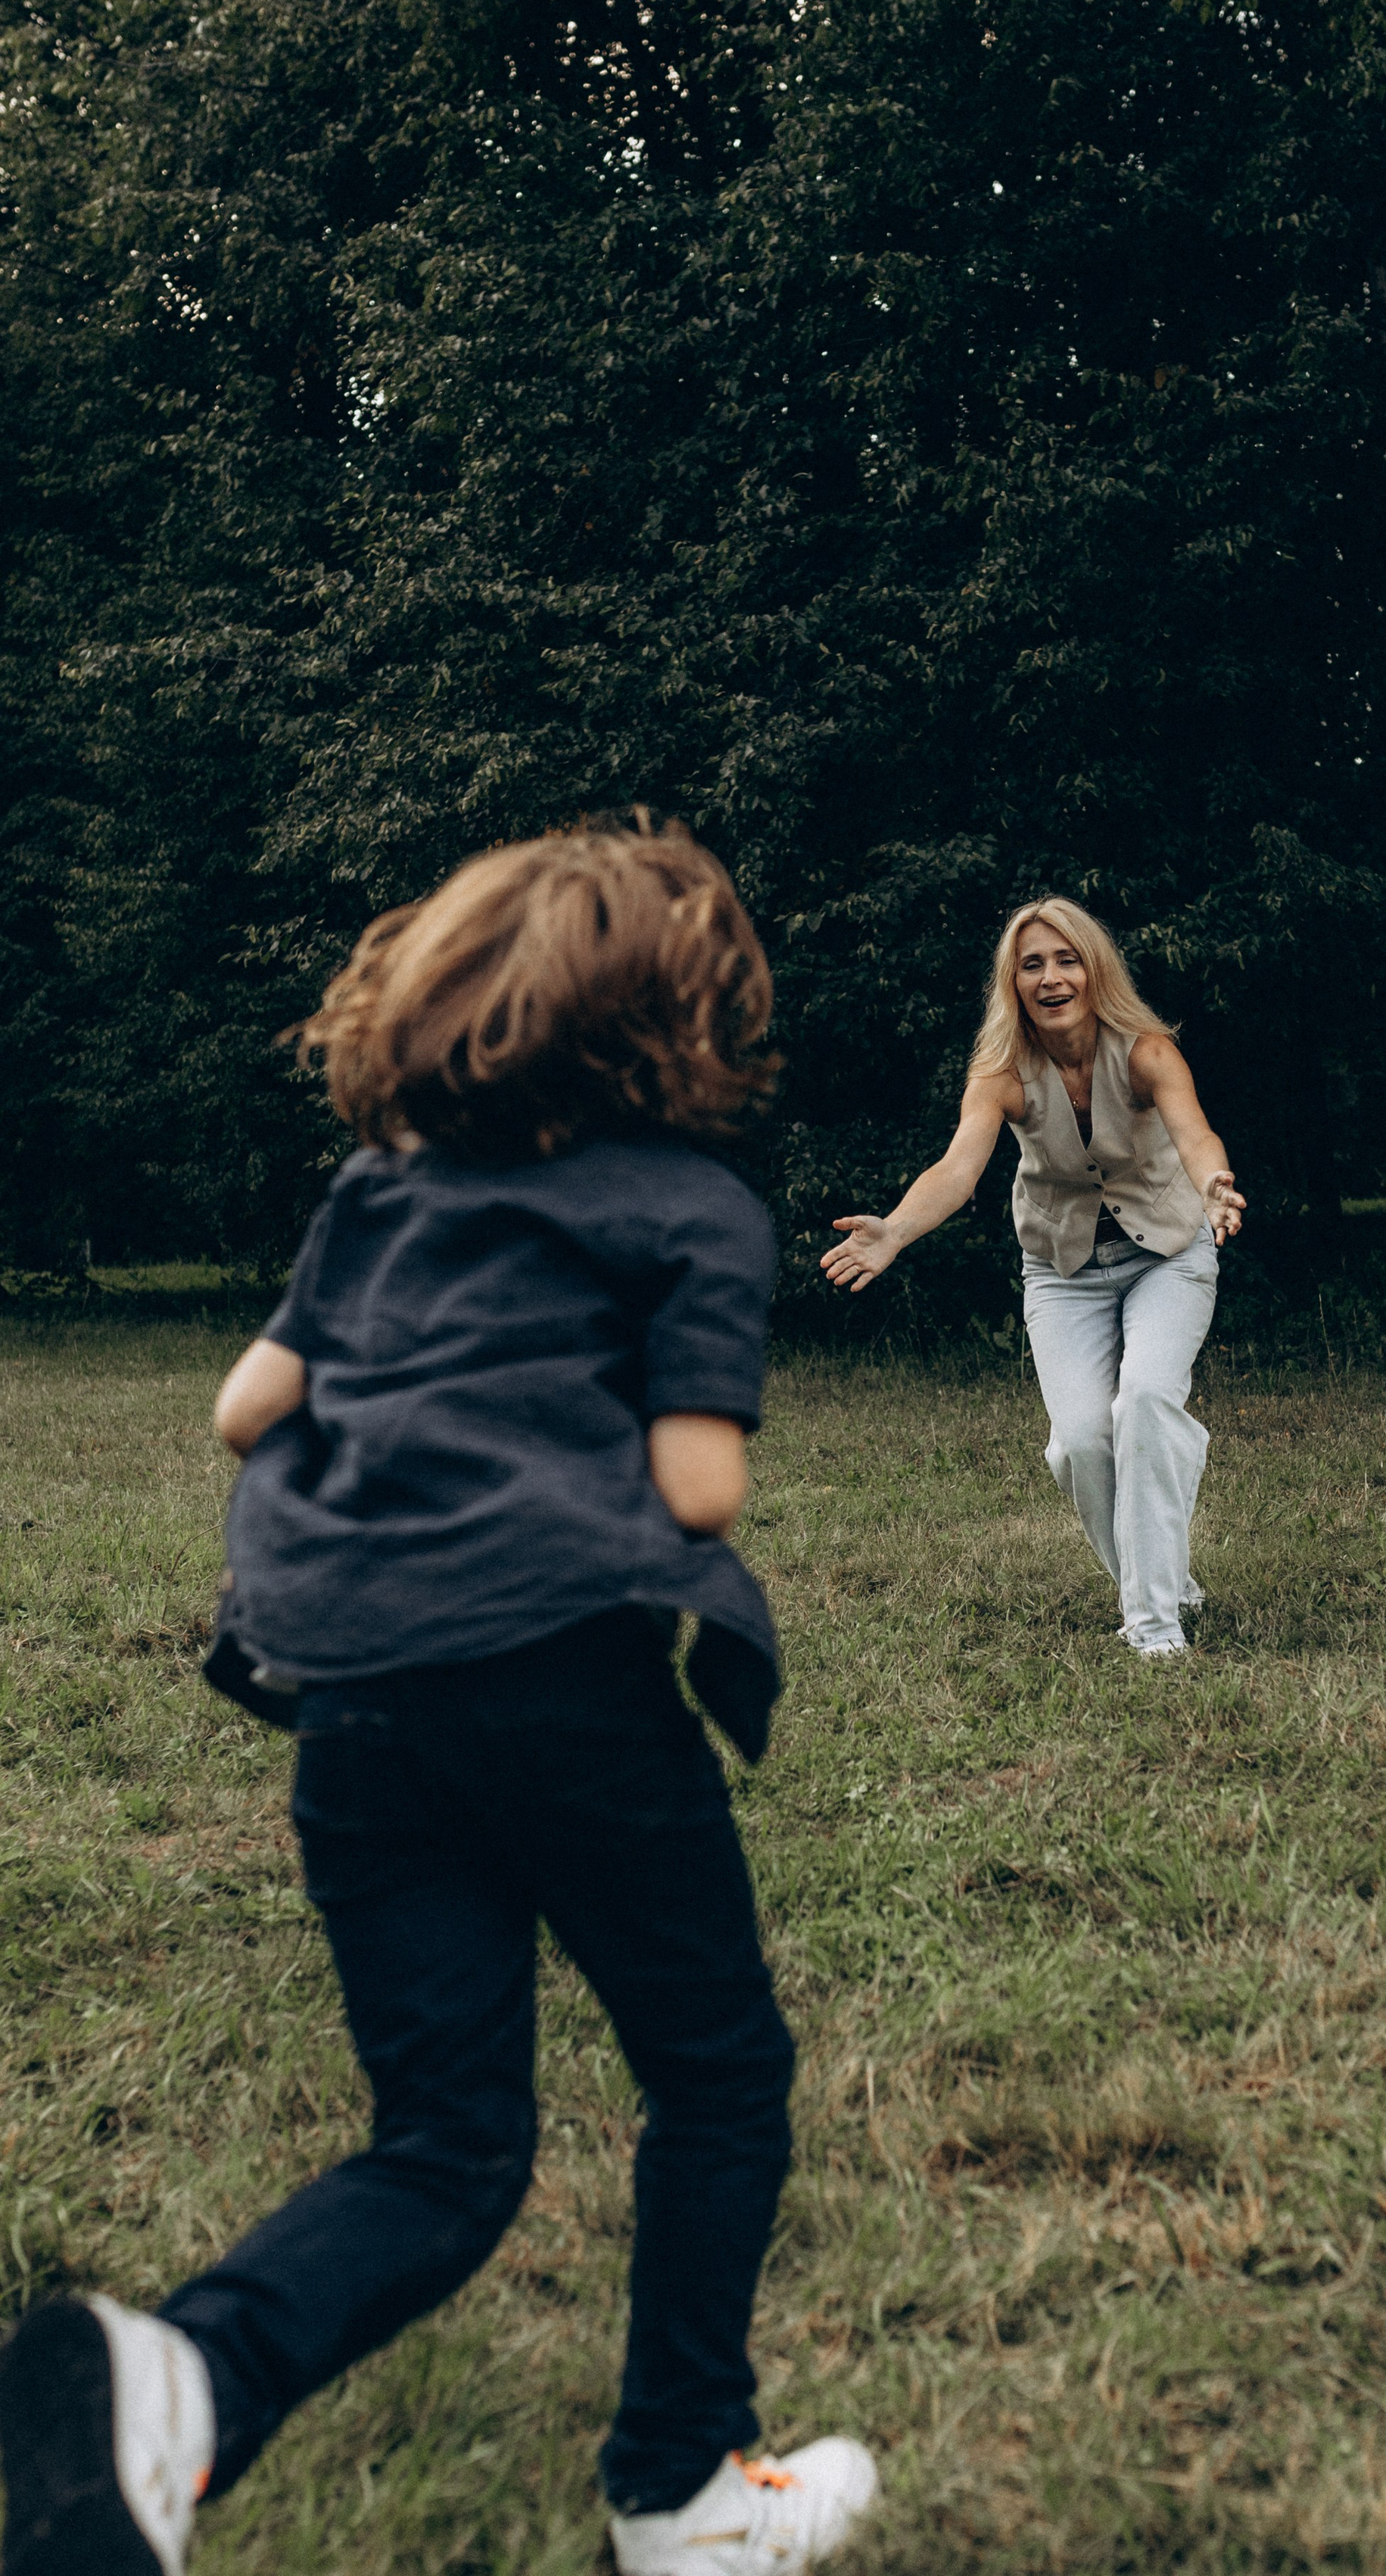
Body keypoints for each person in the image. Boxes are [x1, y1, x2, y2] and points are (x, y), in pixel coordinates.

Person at [0, 821, 877, 2576]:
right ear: (679, 1020)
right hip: (565, 1691)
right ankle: (680, 2486)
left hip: (357, 1707)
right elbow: (696, 1486)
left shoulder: (379, 1190)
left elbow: (244, 1406)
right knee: (715, 2076)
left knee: (450, 2135)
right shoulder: (694, 1203)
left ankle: (175, 2382)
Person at [821, 896, 1244, 1658]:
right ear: (1013, 983)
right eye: (1032, 965)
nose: (1052, 977)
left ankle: (1153, 1628)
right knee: (1078, 1444)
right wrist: (897, 1230)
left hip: (1169, 1255)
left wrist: (1213, 1182)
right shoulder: (1002, 1073)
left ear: (1094, 969)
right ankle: (1164, 1576)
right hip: (1063, 1273)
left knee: (1146, 1403)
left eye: (1066, 959)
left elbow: (1194, 1131)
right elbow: (957, 1169)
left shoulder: (1145, 1050)